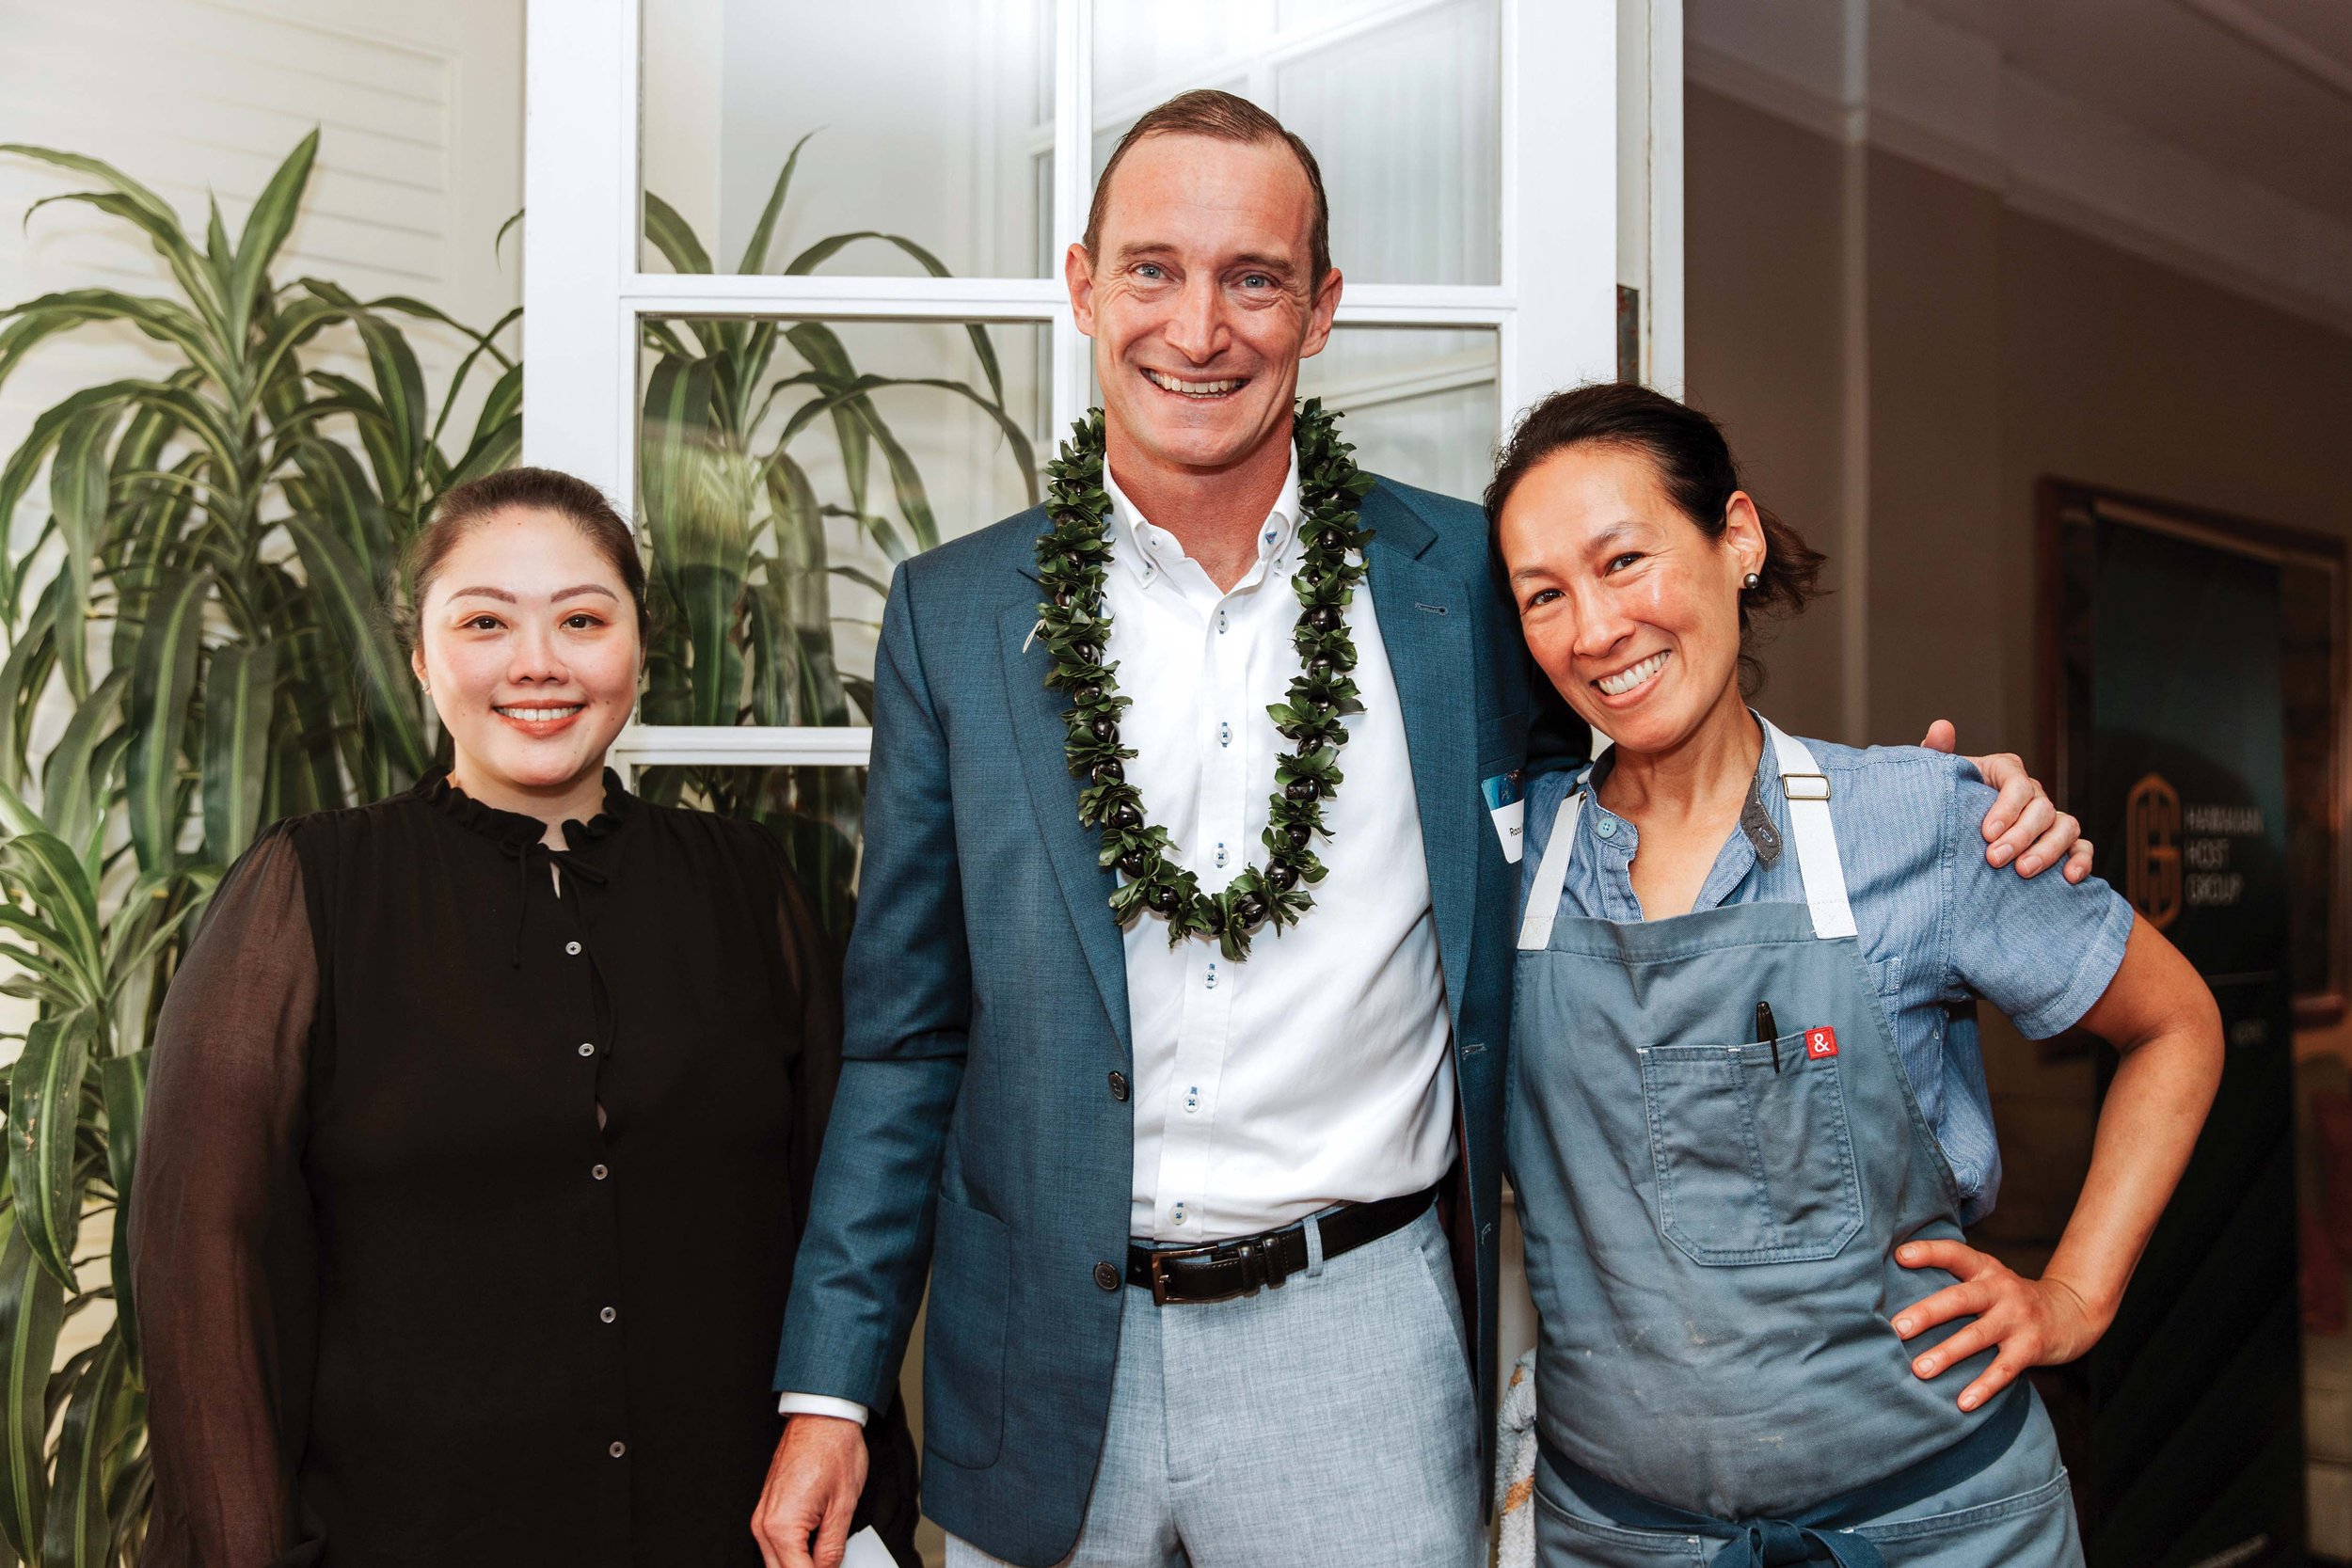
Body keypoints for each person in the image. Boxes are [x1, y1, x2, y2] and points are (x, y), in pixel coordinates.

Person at [751, 91, 2088, 1568]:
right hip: (1044, 1350)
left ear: (1321, 307)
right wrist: (831, 1383)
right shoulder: (955, 613)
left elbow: (1662, 732)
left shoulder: (1473, 585)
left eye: (1254, 277)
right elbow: (906, 1035)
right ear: (1083, 284)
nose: (1199, 326)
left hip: (1366, 1333)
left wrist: (1950, 805)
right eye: (1152, 269)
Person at [130, 467, 917, 1568]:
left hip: (727, 1536)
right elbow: (204, 1275)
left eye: (583, 620)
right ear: (420, 654)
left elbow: (844, 1218)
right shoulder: (308, 893)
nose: (537, 662)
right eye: (485, 621)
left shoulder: (746, 888)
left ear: (640, 649)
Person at [1493, 384, 2223, 1566]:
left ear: (1733, 538)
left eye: (1623, 560)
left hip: (1944, 1527)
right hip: (1622, 1541)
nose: (1592, 628)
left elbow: (2176, 1023)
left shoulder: (1917, 822)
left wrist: (2075, 1294)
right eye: (1544, 594)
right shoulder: (1506, 862)